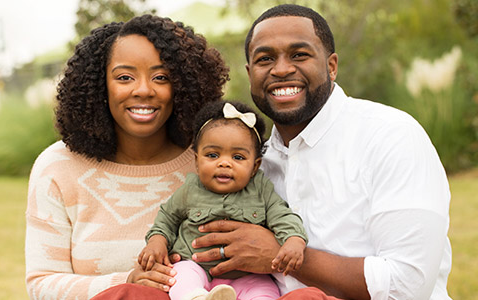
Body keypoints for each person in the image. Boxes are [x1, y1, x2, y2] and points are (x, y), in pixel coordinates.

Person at [187, 4, 452, 300]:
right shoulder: (250, 163)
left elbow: (406, 286)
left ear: (331, 65)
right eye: (265, 59)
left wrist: (280, 254)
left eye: (299, 55)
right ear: (250, 74)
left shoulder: (389, 135)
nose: (282, 69)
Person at [24, 14, 229, 299]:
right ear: (100, 85)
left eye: (161, 77)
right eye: (124, 77)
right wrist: (127, 283)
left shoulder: (211, 163)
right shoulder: (57, 168)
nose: (143, 89)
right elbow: (41, 284)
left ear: (182, 86)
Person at [139, 101, 307, 300]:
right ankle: (197, 298)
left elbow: (283, 215)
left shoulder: (261, 190)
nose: (224, 163)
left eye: (238, 157)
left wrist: (294, 240)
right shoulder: (190, 190)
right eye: (212, 155)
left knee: (264, 290)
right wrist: (157, 241)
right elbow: (167, 218)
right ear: (196, 161)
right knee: (179, 277)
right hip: (196, 266)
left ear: (255, 166)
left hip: (247, 275)